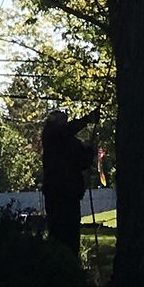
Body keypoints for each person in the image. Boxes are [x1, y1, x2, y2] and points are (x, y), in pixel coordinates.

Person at [38, 104, 101, 260]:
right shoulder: (52, 136)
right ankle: (61, 265)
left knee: (70, 235)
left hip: (70, 194)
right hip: (58, 193)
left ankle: (69, 265)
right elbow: (64, 133)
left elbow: (83, 161)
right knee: (59, 232)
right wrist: (87, 120)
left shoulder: (68, 142)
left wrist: (89, 150)